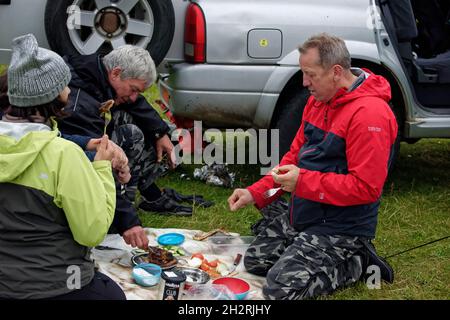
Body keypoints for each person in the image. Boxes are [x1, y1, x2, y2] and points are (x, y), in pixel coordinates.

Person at [228, 33, 398, 300]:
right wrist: (255, 192)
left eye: (310, 74)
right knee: (256, 262)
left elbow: (366, 189)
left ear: (336, 72)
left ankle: (357, 262)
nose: (304, 82)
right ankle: (304, 248)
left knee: (279, 290)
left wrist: (302, 182)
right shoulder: (318, 101)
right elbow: (293, 158)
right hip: (308, 209)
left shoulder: (369, 115)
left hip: (341, 224)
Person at [0, 34, 125, 299]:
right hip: (55, 284)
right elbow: (91, 232)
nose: (70, 88)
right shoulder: (63, 156)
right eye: (65, 83)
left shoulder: (59, 148)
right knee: (113, 296)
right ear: (54, 93)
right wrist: (102, 170)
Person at [57, 45, 193, 249]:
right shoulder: (80, 103)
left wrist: (160, 132)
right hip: (67, 167)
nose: (133, 96)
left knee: (139, 120)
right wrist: (127, 222)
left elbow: (134, 103)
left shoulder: (96, 72)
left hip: (73, 143)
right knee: (131, 133)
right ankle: (112, 214)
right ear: (116, 73)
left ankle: (146, 194)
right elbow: (89, 164)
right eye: (134, 89)